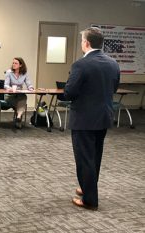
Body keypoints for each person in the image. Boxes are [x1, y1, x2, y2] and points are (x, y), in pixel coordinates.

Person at [64, 27, 120, 210]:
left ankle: (90, 200)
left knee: (84, 158)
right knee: (95, 156)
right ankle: (87, 187)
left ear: (86, 43)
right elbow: (114, 88)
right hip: (103, 116)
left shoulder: (81, 64)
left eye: (82, 40)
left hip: (84, 119)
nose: (81, 43)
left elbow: (69, 93)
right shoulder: (113, 63)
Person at [4, 57, 34, 129]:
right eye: (13, 63)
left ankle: (18, 116)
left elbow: (29, 84)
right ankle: (18, 119)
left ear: (20, 65)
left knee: (23, 97)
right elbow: (5, 85)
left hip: (20, 94)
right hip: (10, 95)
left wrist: (31, 88)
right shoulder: (9, 72)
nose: (13, 64)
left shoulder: (24, 73)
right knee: (21, 102)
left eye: (16, 63)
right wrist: (9, 88)